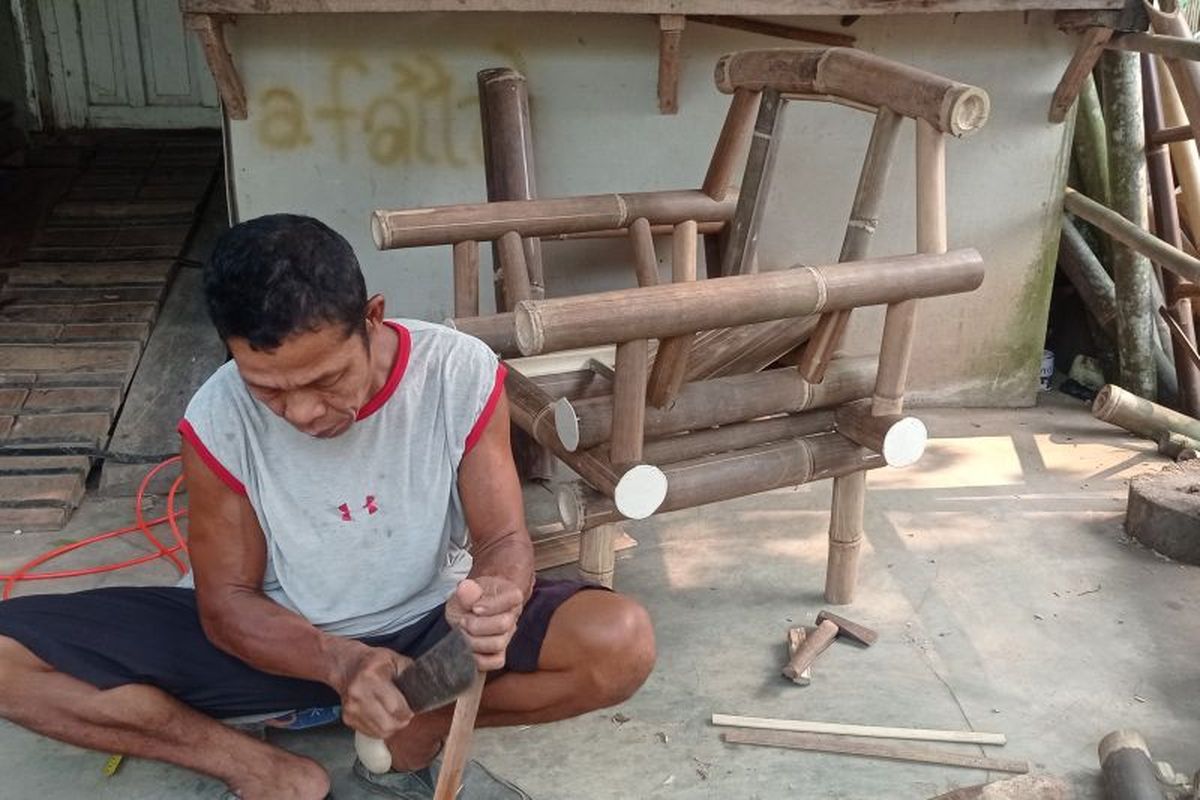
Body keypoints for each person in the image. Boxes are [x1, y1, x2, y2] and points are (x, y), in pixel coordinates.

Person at [0, 214, 656, 800]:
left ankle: (417, 720)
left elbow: (505, 538)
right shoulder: (218, 417)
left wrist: (497, 597)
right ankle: (258, 769)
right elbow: (226, 604)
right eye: (270, 391)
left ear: (372, 317)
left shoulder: (457, 372)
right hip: (277, 645)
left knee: (618, 643)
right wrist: (340, 663)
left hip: (426, 637)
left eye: (326, 379)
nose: (304, 413)